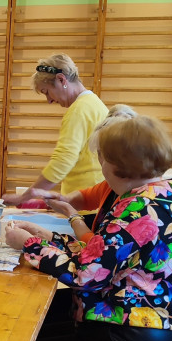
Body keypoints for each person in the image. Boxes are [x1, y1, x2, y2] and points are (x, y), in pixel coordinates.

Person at [3, 115, 172, 341]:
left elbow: (85, 276)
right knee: (35, 336)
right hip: (153, 337)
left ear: (116, 165)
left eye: (102, 158)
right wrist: (48, 238)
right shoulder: (160, 195)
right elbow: (103, 255)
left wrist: (29, 245)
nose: (100, 166)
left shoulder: (140, 211)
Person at [2, 53, 107, 206]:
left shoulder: (79, 110)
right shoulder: (94, 103)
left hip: (86, 202)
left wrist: (24, 197)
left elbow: (63, 160)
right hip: (94, 198)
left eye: (46, 92)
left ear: (61, 79)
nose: (49, 100)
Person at [29, 104, 140, 243]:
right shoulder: (115, 186)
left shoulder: (136, 207)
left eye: (100, 153)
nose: (100, 162)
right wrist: (63, 199)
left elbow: (98, 249)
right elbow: (86, 197)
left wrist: (72, 215)